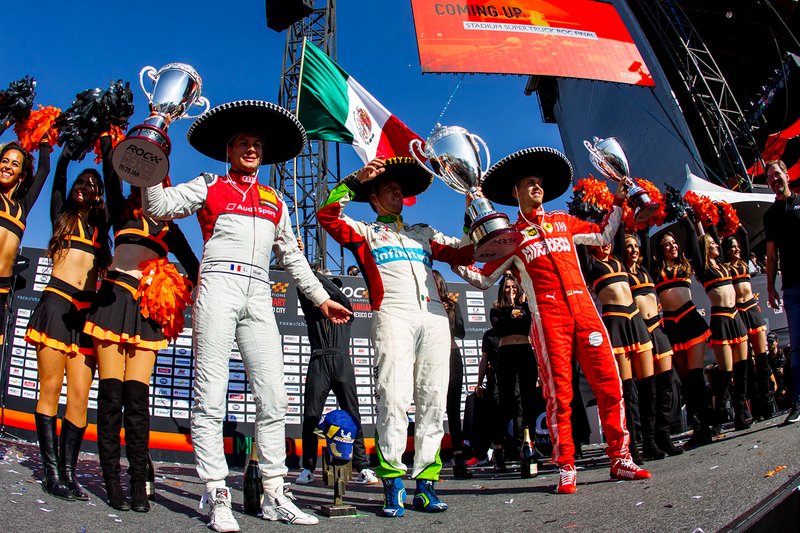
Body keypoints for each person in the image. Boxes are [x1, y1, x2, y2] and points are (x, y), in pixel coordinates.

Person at [143, 100, 352, 530]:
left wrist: (319, 298)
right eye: (243, 142)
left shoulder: (275, 199)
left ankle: (276, 492)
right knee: (210, 394)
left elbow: (293, 257)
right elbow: (158, 207)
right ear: (229, 149)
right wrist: (148, 161)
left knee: (274, 395)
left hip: (259, 291)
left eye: (257, 143)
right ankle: (216, 491)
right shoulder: (208, 185)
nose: (251, 148)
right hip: (217, 284)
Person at [454, 147, 650, 495]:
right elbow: (483, 278)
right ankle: (566, 466)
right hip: (548, 319)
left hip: (585, 310)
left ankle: (620, 457)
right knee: (559, 394)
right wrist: (456, 257)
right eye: (529, 183)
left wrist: (619, 203)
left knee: (610, 382)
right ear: (515, 192)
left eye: (540, 183)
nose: (537, 187)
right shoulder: (511, 237)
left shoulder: (562, 220)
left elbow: (603, 235)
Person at [317, 157, 474, 517]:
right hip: (393, 315)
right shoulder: (366, 232)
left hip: (435, 317)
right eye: (389, 187)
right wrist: (356, 179)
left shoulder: (424, 232)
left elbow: (465, 252)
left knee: (434, 400)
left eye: (400, 187)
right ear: (374, 198)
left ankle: (427, 483)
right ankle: (392, 481)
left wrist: (469, 209)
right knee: (393, 398)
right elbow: (327, 216)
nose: (397, 191)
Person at [85, 134, 199, 512]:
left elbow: (197, 268)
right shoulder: (121, 210)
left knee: (137, 400)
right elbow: (110, 170)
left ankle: (138, 481)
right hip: (114, 301)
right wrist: (109, 140)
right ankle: (111, 481)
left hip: (147, 312)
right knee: (110, 396)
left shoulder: (169, 226)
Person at [26, 145, 111, 501]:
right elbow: (58, 178)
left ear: (98, 194)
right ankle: (51, 473)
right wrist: (66, 153)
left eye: (93, 184)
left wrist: (108, 150)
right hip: (56, 306)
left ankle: (70, 473)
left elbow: (114, 185)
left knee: (78, 397)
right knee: (50, 389)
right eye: (82, 181)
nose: (85, 186)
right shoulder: (61, 215)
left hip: (85, 314)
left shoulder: (100, 228)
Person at [578, 227, 657, 465]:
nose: (606, 244)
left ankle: (651, 441)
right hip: (615, 324)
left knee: (648, 387)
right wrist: (585, 225)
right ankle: (632, 446)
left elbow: (619, 230)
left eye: (608, 240)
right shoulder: (591, 265)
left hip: (637, 321)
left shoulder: (619, 260)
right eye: (599, 240)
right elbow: (580, 242)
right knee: (628, 391)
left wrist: (619, 201)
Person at [294, 270, 378, 486]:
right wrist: (306, 271)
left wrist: (316, 276)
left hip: (342, 363)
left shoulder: (346, 309)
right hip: (318, 362)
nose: (330, 292)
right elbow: (301, 288)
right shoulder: (313, 312)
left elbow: (339, 296)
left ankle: (363, 467)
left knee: (353, 414)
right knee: (311, 416)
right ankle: (308, 468)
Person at [691, 223, 751, 431]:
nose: (717, 244)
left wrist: (708, 220)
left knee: (742, 370)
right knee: (725, 373)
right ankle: (716, 419)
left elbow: (718, 234)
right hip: (721, 320)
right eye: (711, 244)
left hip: (736, 318)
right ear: (704, 249)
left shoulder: (724, 265)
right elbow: (696, 246)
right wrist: (693, 224)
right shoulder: (704, 269)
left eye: (716, 242)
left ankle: (740, 415)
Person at [722, 226, 777, 420]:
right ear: (726, 250)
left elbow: (745, 235)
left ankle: (767, 403)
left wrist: (731, 219)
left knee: (762, 361)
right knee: (745, 365)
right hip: (739, 314)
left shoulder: (745, 263)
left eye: (737, 247)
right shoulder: (725, 268)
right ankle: (752, 407)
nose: (737, 249)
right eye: (732, 247)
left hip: (753, 311)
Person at [0, 139, 50, 345]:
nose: (7, 167)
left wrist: (45, 138)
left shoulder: (22, 207)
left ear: (22, 174)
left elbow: (44, 170)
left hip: (2, 291)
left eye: (14, 164)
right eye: (4, 160)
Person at [763, 159, 800, 424]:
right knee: (797, 348)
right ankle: (797, 403)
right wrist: (770, 287)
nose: (775, 179)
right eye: (770, 177)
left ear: (787, 175)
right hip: (793, 288)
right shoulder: (770, 215)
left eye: (777, 174)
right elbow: (772, 256)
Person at [488, 275, 537, 472]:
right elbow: (498, 327)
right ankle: (498, 450)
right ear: (502, 289)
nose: (510, 291)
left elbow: (530, 324)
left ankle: (528, 446)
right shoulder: (496, 307)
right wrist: (510, 311)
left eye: (513, 288)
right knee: (505, 403)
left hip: (525, 352)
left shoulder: (526, 306)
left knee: (527, 402)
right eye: (507, 288)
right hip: (506, 354)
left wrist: (522, 307)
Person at [431, 269, 472, 479]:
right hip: (431, 358)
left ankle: (459, 460)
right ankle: (431, 460)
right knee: (433, 410)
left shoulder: (452, 305)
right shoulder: (424, 304)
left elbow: (461, 332)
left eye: (435, 282)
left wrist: (450, 314)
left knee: (454, 411)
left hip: (452, 356)